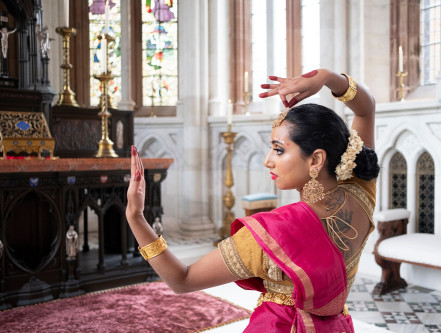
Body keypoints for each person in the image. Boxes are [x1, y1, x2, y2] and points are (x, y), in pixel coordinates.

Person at [126, 68, 379, 332]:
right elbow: (366, 109)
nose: (267, 160)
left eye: (279, 150)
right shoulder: (361, 191)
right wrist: (327, 77)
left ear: (315, 159)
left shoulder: (273, 234)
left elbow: (182, 280)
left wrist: (135, 217)